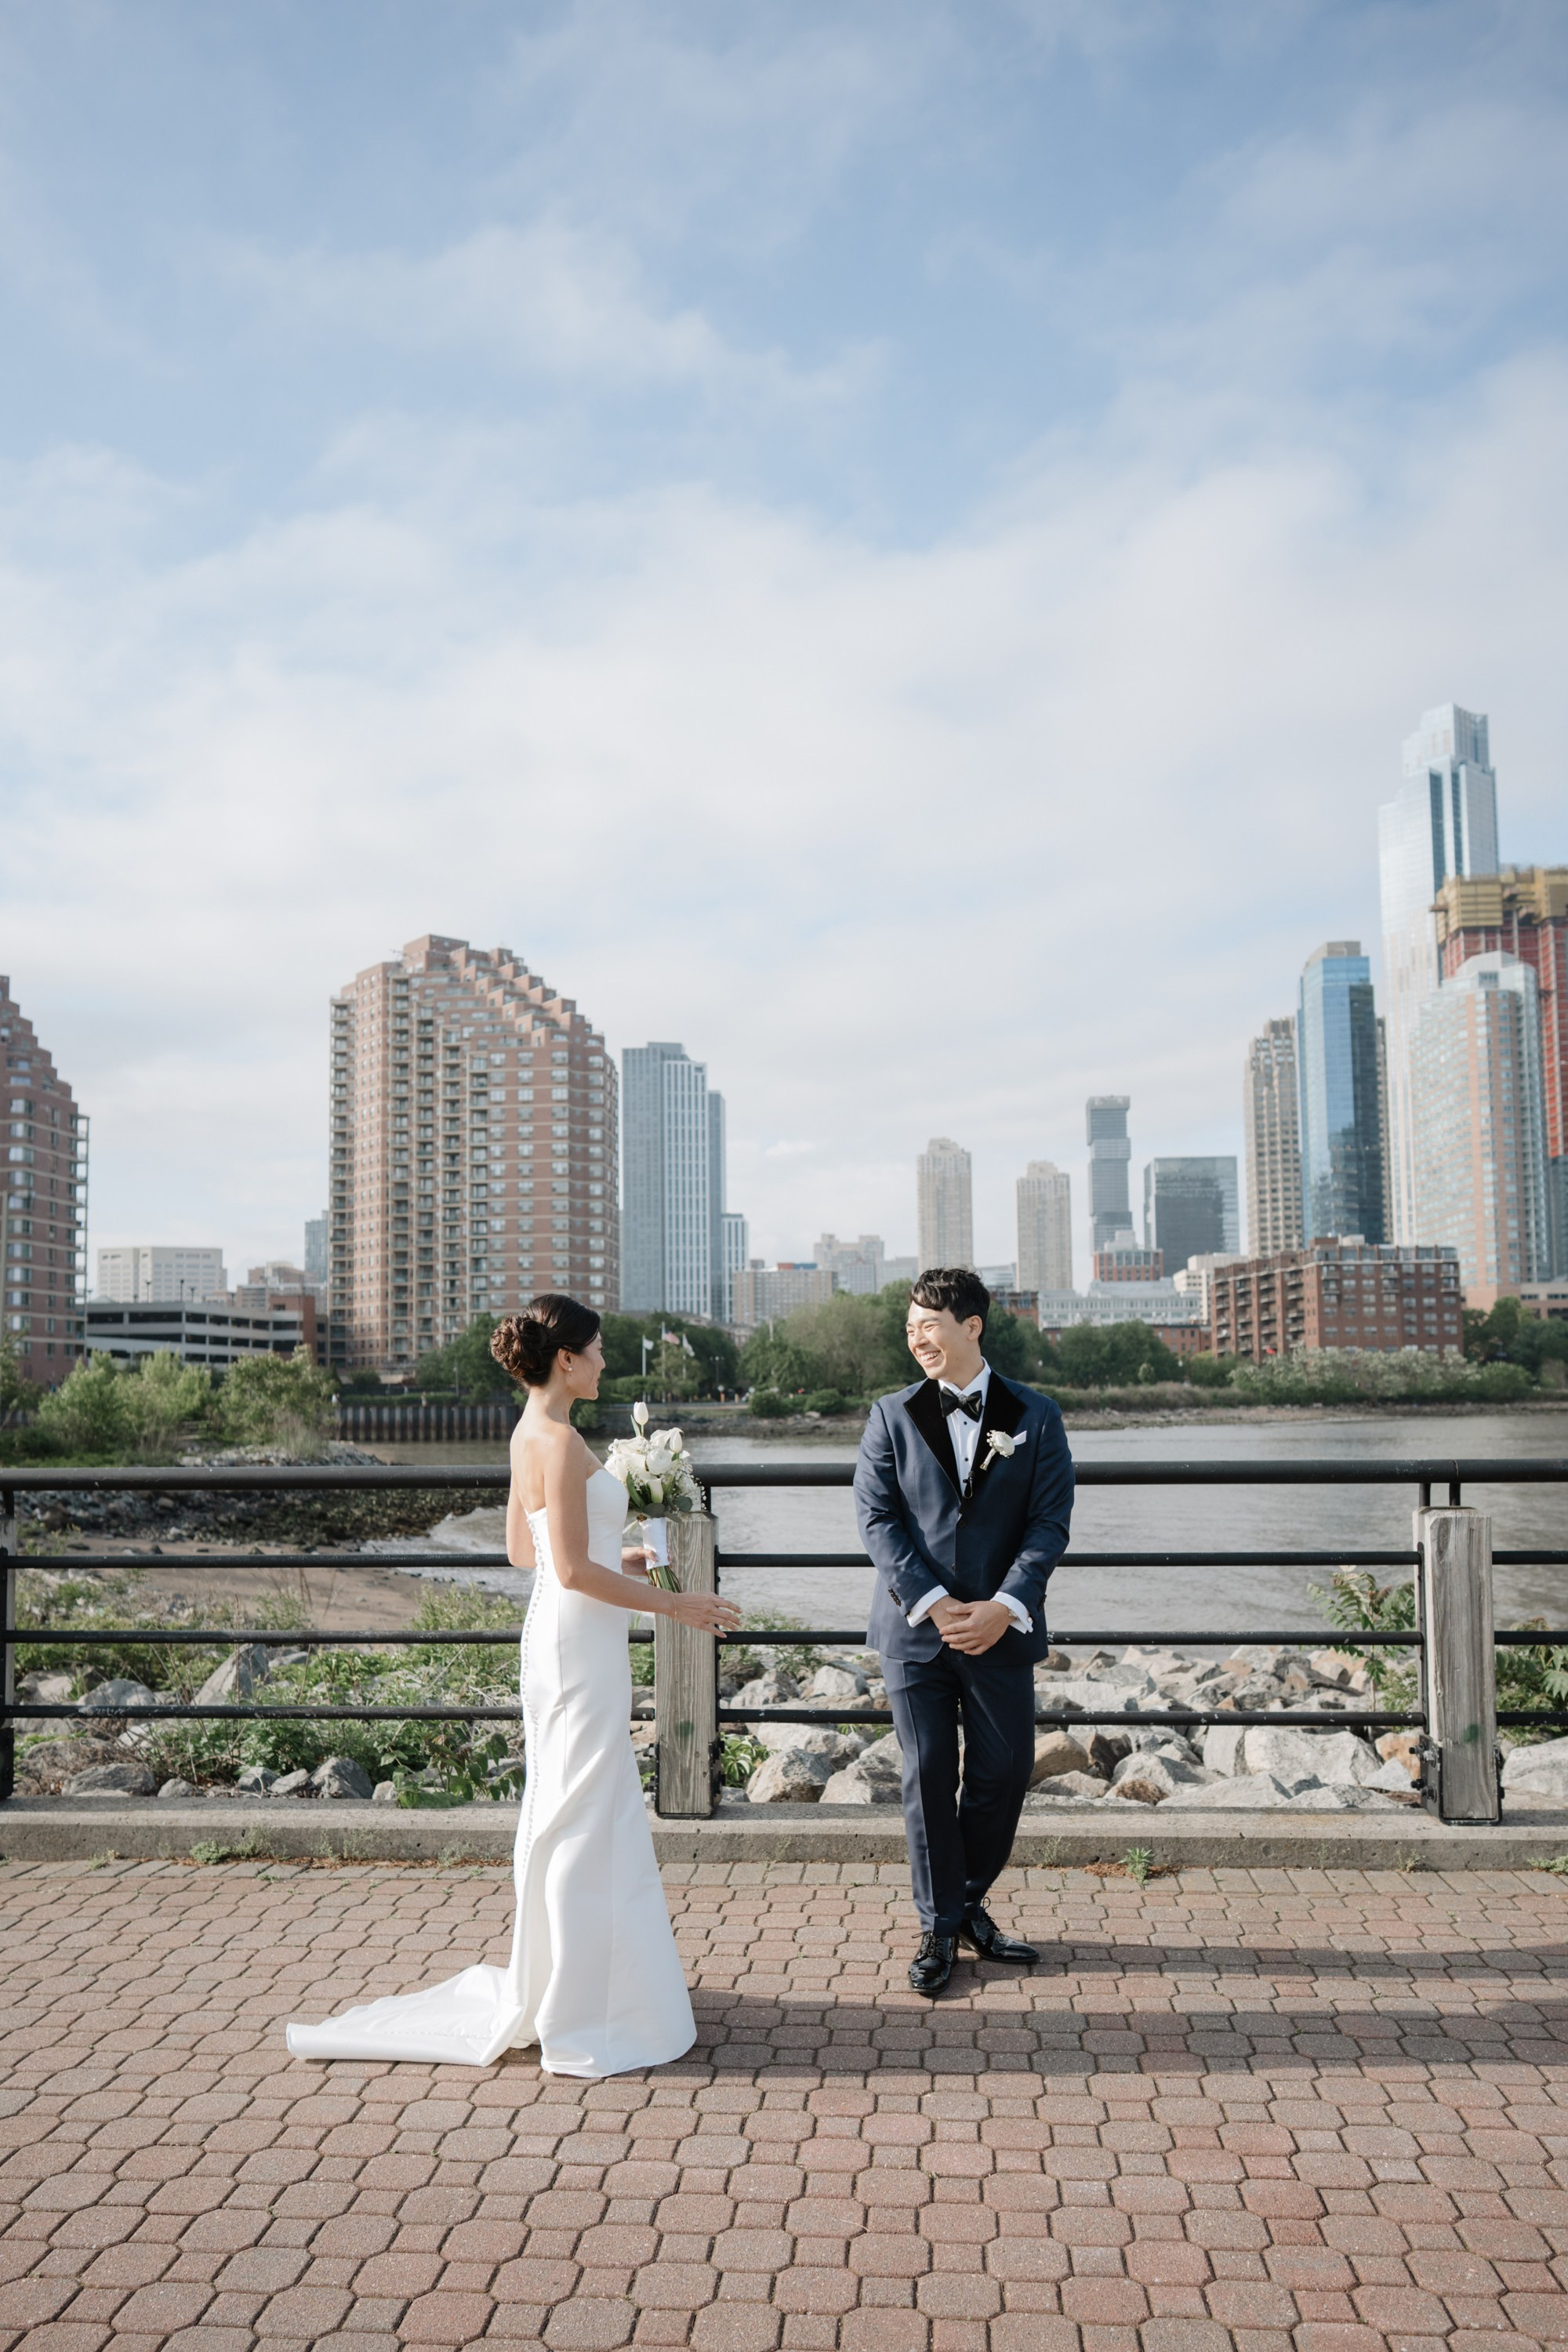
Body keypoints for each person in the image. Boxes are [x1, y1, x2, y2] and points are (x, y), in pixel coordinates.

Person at [286, 1293, 741, 2075]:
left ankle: (568, 1982)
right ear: (566, 1359)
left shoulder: (530, 1431)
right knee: (581, 1807)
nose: (602, 1362)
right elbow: (563, 1567)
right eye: (596, 1351)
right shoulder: (558, 1442)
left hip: (561, 1637)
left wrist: (622, 1558)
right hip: (574, 1644)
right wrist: (676, 1603)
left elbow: (524, 1553)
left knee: (574, 1804)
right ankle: (576, 2002)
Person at [854, 1267, 1074, 1995]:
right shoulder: (890, 1415)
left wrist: (1005, 1604)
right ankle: (940, 1928)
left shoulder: (1036, 1415)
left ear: (971, 1326)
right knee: (926, 1778)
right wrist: (935, 1603)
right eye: (910, 1327)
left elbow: (1049, 1525)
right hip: (917, 1630)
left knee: (1004, 1773)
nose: (917, 1339)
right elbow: (878, 1520)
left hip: (1000, 1627)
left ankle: (966, 1897)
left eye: (930, 1326)